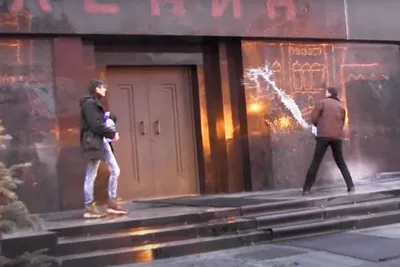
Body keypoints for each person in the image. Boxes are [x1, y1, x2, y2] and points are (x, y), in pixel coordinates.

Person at [80, 79, 127, 218]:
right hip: (93, 142)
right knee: (91, 174)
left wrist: (109, 117)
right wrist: (111, 133)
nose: (105, 90)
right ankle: (89, 206)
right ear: (97, 88)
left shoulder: (95, 103)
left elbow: (99, 121)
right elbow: (94, 125)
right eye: (103, 87)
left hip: (101, 141)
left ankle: (112, 202)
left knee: (115, 170)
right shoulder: (89, 104)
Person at [303, 87, 355, 195]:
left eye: (326, 92)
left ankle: (306, 189)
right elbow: (342, 121)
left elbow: (314, 118)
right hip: (336, 137)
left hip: (323, 136)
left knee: (316, 162)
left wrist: (319, 125)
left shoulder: (322, 102)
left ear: (329, 93)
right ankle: (350, 185)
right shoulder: (341, 106)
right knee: (341, 162)